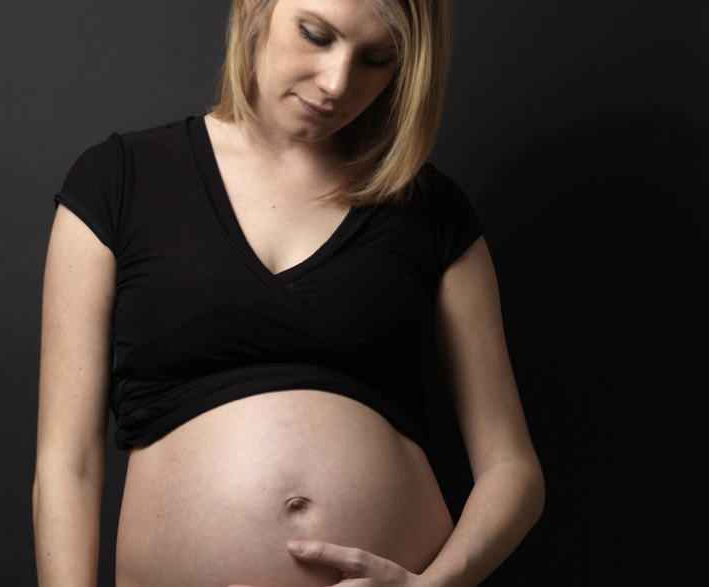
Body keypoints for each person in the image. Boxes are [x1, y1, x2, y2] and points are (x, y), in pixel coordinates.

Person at [33, 0, 545, 586]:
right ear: (255, 7)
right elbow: (66, 466)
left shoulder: (431, 213)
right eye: (315, 34)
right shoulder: (117, 182)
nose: (336, 83)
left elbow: (513, 469)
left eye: (377, 59)